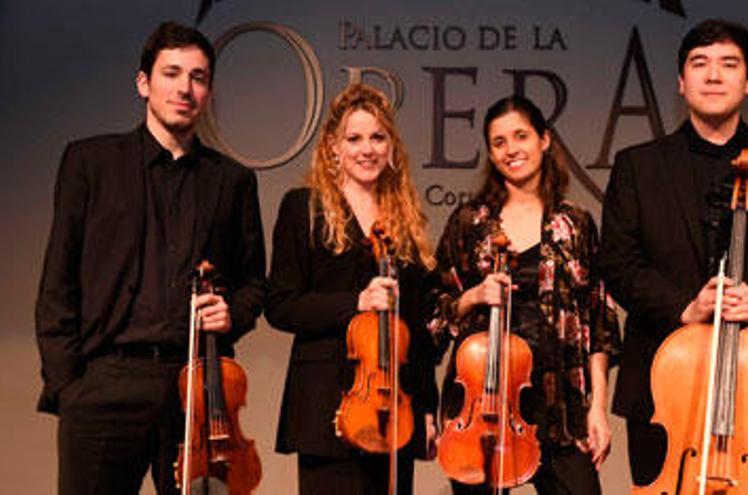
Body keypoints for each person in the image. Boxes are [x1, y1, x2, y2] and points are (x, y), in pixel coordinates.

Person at [34, 21, 266, 495]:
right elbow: (58, 280)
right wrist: (70, 386)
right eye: (172, 73)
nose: (185, 88)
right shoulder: (90, 163)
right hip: (105, 381)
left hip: (197, 390)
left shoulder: (234, 180)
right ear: (144, 83)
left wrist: (232, 313)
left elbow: (254, 283)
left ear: (209, 91)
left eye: (198, 77)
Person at [599, 19, 748, 493]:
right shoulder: (637, 165)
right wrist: (684, 307)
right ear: (681, 83)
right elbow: (619, 262)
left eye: (729, 64)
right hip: (662, 385)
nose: (713, 75)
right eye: (699, 64)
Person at [428, 95, 621, 494]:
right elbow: (433, 310)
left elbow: (600, 322)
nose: (511, 149)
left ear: (544, 140)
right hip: (482, 406)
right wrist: (474, 296)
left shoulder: (576, 224)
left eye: (521, 136)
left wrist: (597, 409)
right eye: (499, 142)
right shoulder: (470, 223)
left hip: (561, 407)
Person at [265, 83, 438, 494]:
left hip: (395, 408)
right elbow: (280, 304)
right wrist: (354, 303)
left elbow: (419, 330)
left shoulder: (405, 222)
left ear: (392, 146)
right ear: (333, 148)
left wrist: (427, 406)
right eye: (354, 138)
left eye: (378, 137)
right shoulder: (303, 207)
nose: (367, 149)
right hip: (327, 403)